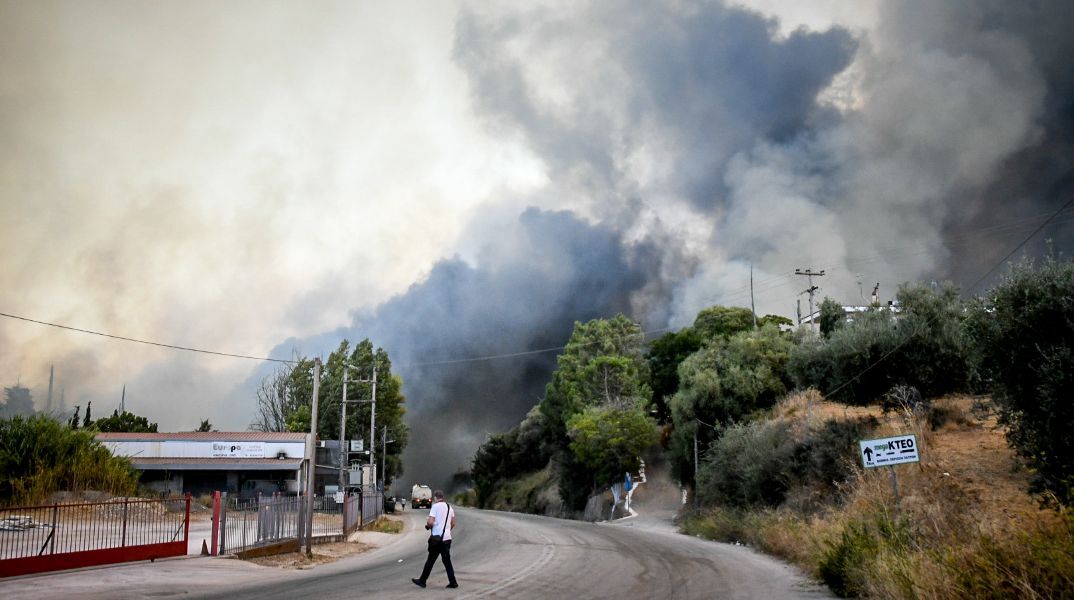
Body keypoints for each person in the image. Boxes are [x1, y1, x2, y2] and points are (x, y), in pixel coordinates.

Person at [411, 489, 458, 589]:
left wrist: (429, 525)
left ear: (436, 498)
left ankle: (422, 581)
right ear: (443, 497)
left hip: (437, 540)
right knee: (447, 561)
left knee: (431, 560)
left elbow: (431, 522)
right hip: (447, 539)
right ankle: (453, 582)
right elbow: (453, 523)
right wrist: (447, 530)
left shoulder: (435, 507)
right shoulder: (450, 507)